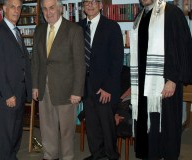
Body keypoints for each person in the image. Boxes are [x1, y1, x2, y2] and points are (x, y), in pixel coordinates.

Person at [130, 0, 192, 159]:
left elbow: (181, 47)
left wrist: (172, 79)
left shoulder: (172, 13)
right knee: (148, 124)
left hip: (164, 81)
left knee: (166, 125)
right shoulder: (140, 16)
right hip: (144, 83)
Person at [31, 0, 85, 159]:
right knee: (47, 128)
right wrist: (35, 85)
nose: (48, 12)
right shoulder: (39, 30)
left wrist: (77, 91)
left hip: (67, 90)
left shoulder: (74, 30)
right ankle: (50, 156)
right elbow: (35, 60)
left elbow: (80, 64)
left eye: (52, 8)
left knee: (67, 132)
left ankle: (67, 157)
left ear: (60, 9)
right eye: (45, 9)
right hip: (43, 87)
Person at [78, 0, 124, 160]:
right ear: (83, 6)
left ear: (101, 5)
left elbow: (117, 60)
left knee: (107, 125)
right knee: (92, 125)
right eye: (86, 2)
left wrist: (108, 87)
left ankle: (112, 155)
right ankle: (97, 154)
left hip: (105, 86)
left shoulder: (112, 27)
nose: (89, 5)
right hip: (85, 85)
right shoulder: (78, 27)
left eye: (93, 2)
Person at [0, 0, 32, 159]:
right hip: (7, 96)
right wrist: (8, 94)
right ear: (4, 9)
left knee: (16, 135)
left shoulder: (16, 30)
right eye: (12, 7)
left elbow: (23, 62)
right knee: (6, 138)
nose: (16, 10)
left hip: (19, 92)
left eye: (19, 7)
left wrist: (29, 87)